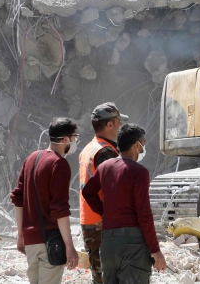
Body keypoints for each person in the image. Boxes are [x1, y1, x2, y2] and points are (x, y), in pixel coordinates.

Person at [82, 124, 166, 284]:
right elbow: (144, 213)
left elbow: (88, 192)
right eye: (143, 143)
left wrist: (104, 213)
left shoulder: (105, 168)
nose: (143, 148)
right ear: (136, 144)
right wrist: (155, 251)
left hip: (108, 243)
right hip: (133, 246)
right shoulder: (139, 172)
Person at [11, 117, 80, 284]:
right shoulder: (59, 163)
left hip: (31, 242)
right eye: (74, 137)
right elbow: (60, 209)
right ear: (65, 139)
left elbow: (18, 199)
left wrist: (21, 234)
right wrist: (69, 246)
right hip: (50, 243)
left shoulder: (32, 159)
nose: (75, 141)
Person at [78, 103, 127, 284]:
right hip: (103, 223)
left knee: (99, 275)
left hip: (90, 220)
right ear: (109, 125)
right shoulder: (106, 152)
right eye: (118, 122)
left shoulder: (89, 149)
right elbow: (113, 191)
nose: (120, 126)